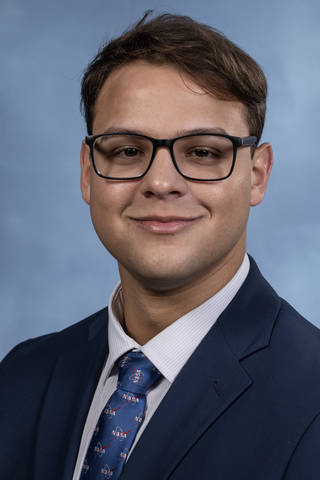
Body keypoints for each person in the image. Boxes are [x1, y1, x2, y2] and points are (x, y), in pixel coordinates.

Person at [1, 11, 320, 480]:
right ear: (89, 173)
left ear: (257, 175)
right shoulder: (22, 376)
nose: (161, 182)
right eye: (128, 150)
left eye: (204, 152)